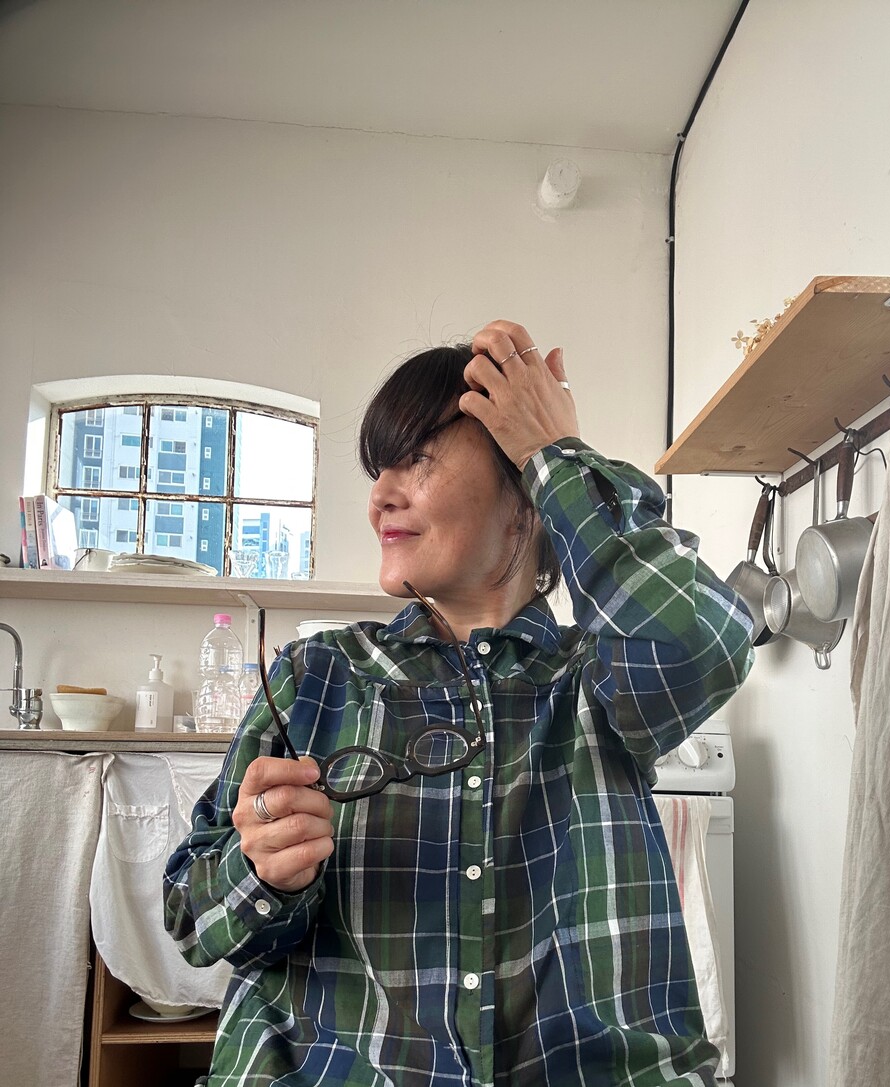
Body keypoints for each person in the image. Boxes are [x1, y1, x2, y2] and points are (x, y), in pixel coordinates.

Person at [164, 319, 754, 1086]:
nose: (380, 497)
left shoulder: (599, 679)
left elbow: (706, 639)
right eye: (380, 468)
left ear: (524, 491)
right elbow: (191, 917)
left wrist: (555, 451)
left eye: (416, 458)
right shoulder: (318, 675)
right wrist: (263, 872)